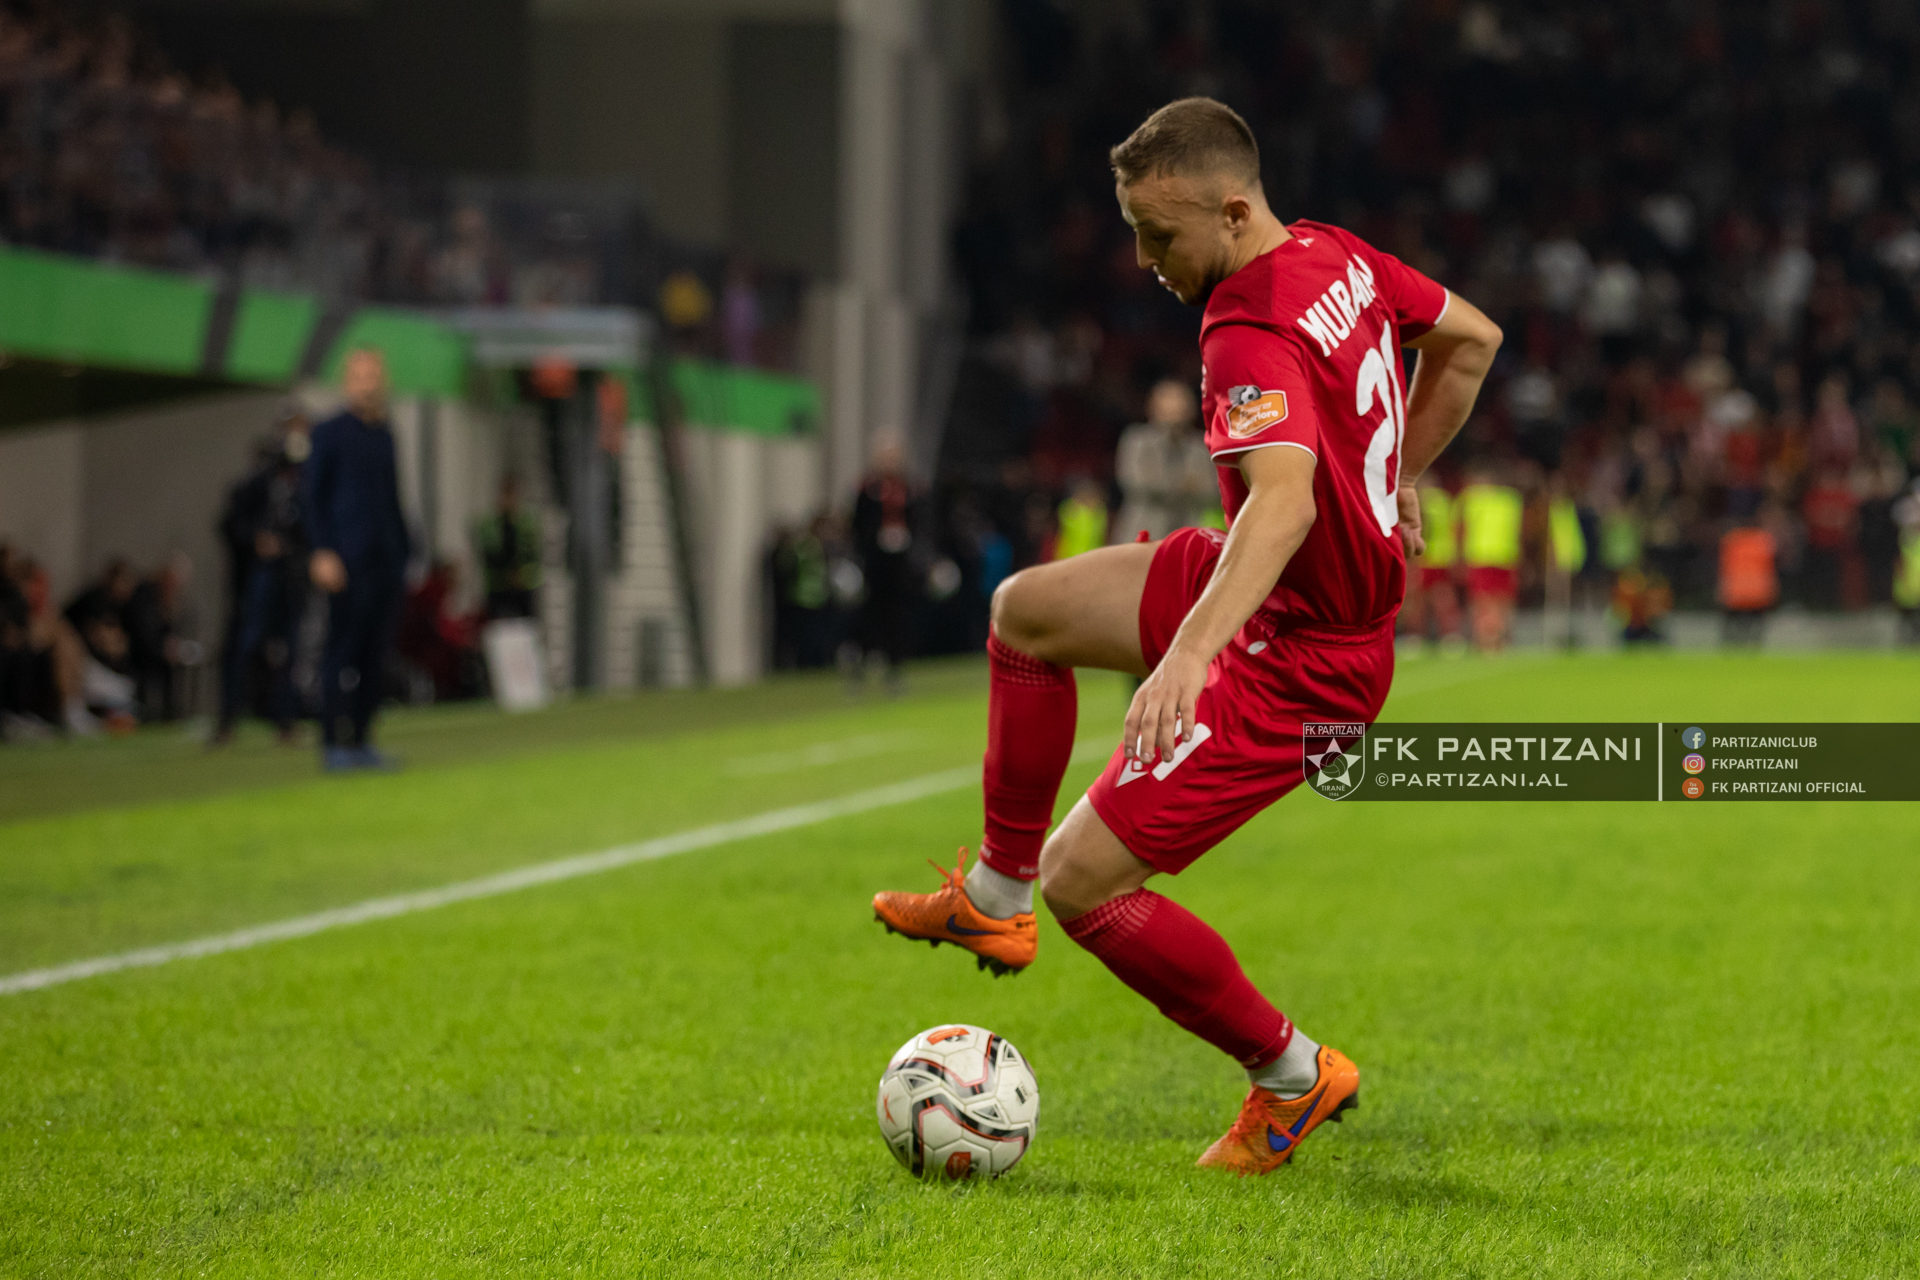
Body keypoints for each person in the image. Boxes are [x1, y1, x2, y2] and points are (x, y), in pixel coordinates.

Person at [872, 98, 1500, 1175]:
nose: (1144, 259)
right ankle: (994, 899)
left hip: (1305, 659)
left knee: (1088, 883)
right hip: (1264, 587)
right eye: (1134, 230)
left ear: (1233, 210)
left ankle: (1293, 1077)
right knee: (1023, 613)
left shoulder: (1244, 327)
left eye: (1159, 234)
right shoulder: (1337, 254)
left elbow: (1286, 503)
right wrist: (1392, 475)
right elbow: (1474, 341)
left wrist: (1190, 653)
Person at [303, 347, 409, 772]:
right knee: (341, 650)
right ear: (347, 382)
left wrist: (404, 551)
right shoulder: (329, 433)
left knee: (374, 655)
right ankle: (333, 743)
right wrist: (322, 550)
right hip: (346, 561)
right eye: (360, 377)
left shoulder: (385, 436)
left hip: (385, 561)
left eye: (373, 377)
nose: (368, 385)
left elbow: (393, 499)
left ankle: (363, 740)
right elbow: (313, 498)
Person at [214, 416, 310, 745]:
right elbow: (230, 526)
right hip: (257, 580)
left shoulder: (305, 488)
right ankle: (227, 718)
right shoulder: (253, 486)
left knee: (290, 652)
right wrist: (257, 540)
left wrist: (294, 550)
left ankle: (285, 722)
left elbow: (312, 532)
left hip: (291, 580)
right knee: (244, 647)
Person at [850, 434, 925, 690]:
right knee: (870, 612)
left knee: (898, 614)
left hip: (901, 560)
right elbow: (858, 525)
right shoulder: (868, 489)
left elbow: (920, 522)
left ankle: (895, 666)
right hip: (875, 560)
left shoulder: (909, 488)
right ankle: (862, 663)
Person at [1113, 379, 1219, 541]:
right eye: (1168, 399)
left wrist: (1167, 484)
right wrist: (1185, 485)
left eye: (1180, 399)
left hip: (1187, 534)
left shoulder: (1202, 447)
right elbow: (1137, 484)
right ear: (1152, 406)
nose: (1175, 405)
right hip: (1142, 533)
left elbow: (1211, 491)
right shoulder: (1136, 440)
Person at [1456, 461, 1524, 651]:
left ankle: (1500, 640)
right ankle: (1486, 640)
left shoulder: (1509, 500)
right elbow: (1461, 529)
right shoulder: (1473, 500)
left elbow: (1519, 531)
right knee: (1483, 601)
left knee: (1501, 601)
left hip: (1503, 557)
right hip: (1482, 557)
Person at [476, 475, 542, 621]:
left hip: (523, 587)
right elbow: (489, 552)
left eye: (513, 495)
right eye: (506, 494)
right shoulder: (489, 523)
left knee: (524, 626)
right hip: (497, 587)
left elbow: (531, 553)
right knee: (498, 626)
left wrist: (520, 574)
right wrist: (507, 573)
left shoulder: (527, 522)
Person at [1717, 517, 1778, 646]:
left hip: (1736, 591)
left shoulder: (1732, 540)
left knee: (1731, 625)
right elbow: (1769, 569)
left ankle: (1731, 646)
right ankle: (1752, 647)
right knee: (1756, 625)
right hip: (1757, 592)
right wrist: (1772, 590)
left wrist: (1722, 589)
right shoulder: (1763, 540)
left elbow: (1725, 567)